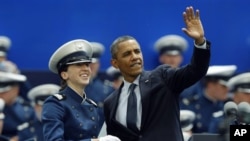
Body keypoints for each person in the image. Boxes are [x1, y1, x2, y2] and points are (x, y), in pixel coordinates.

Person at [103, 6, 211, 141]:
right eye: (127, 54)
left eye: (137, 51)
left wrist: (200, 42)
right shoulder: (110, 103)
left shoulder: (162, 77)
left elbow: (195, 71)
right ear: (115, 63)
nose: (135, 57)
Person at [42, 39, 120, 141]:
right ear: (64, 74)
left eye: (87, 64)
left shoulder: (91, 105)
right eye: (78, 65)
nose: (86, 69)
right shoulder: (55, 104)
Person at [180, 65, 237, 133]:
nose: (227, 90)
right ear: (210, 85)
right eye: (223, 86)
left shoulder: (229, 107)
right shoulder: (191, 105)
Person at [0, 60, 37, 141]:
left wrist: (19, 138)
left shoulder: (28, 110)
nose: (1, 94)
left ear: (16, 89)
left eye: (5, 91)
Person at [85, 41, 114, 131]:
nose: (91, 67)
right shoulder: (73, 89)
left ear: (98, 64)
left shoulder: (107, 89)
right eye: (88, 63)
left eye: (94, 63)